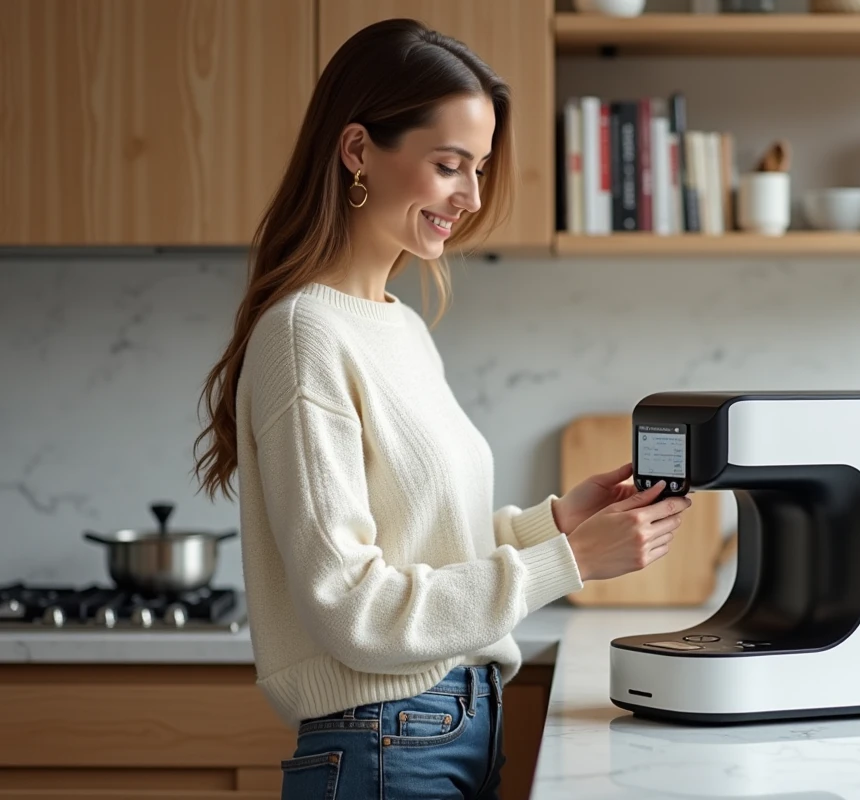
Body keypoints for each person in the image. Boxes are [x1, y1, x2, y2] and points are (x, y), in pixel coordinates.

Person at [191, 17, 691, 800]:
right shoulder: (304, 335)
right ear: (358, 151)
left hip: (453, 726)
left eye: (480, 168)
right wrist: (570, 563)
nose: (472, 195)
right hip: (386, 739)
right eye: (450, 165)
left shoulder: (400, 325)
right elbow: (353, 607)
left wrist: (553, 526)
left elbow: (421, 546)